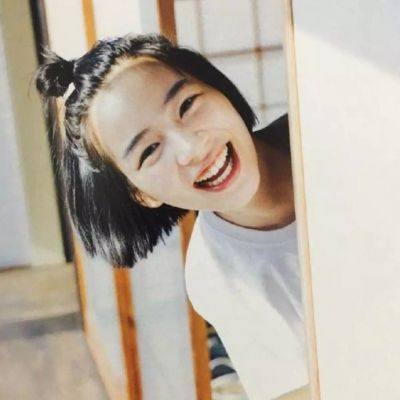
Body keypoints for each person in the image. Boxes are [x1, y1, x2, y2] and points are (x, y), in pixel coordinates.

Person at [35, 33, 309, 399]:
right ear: (141, 194)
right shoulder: (215, 276)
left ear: (217, 88)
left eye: (187, 105)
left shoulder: (328, 122)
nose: (191, 147)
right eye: (150, 150)